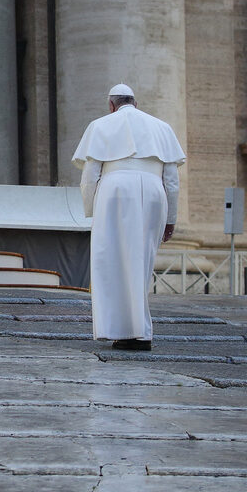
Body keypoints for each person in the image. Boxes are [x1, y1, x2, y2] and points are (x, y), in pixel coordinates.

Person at [72, 84, 185, 351]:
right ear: (135, 102)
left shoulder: (101, 125)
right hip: (154, 192)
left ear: (111, 105)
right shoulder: (161, 127)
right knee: (142, 262)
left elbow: (90, 177)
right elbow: (172, 180)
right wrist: (171, 218)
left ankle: (120, 331)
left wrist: (91, 210)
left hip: (115, 192)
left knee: (110, 261)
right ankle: (142, 332)